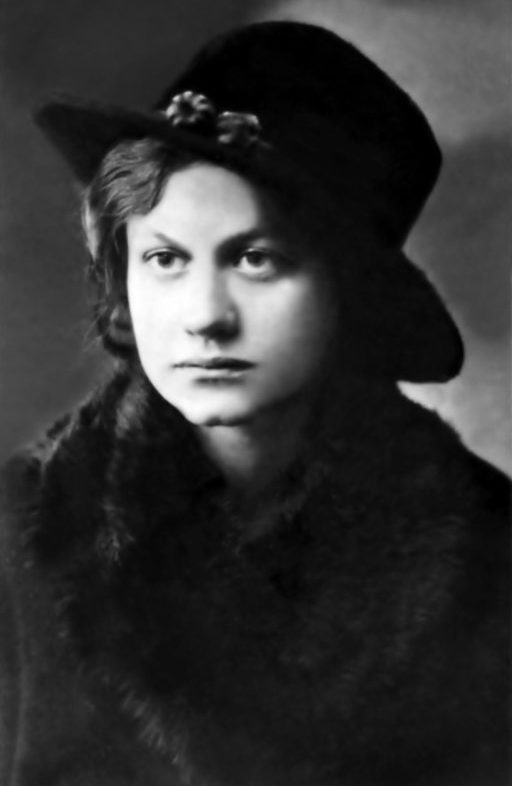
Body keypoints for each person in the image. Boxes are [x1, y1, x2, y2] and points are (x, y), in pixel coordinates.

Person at [0, 20, 508, 786]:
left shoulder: (488, 547)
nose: (205, 315)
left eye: (256, 258)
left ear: (349, 294)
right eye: (164, 258)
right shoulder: (24, 530)